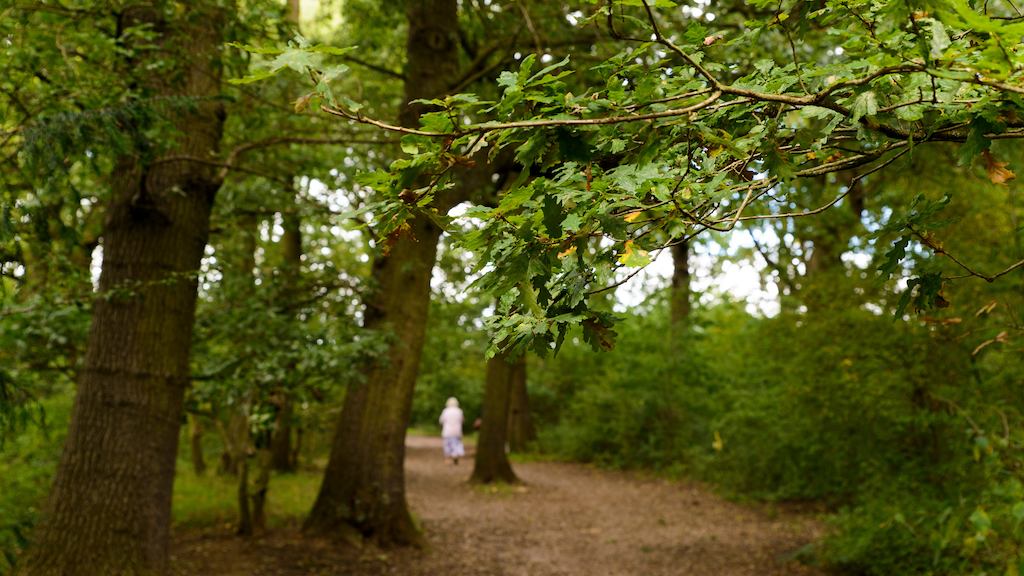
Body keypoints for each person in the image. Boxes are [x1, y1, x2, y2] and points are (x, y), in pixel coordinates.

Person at [438, 397, 465, 465]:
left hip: (447, 431)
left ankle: (447, 459)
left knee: (447, 445)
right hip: (457, 431)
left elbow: (441, 420)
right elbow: (462, 420)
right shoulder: (459, 411)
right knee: (456, 444)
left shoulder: (445, 411)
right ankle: (455, 455)